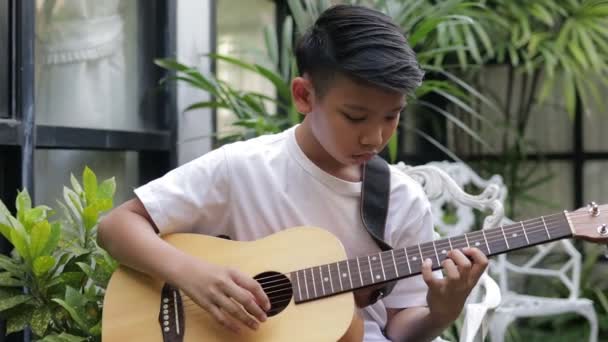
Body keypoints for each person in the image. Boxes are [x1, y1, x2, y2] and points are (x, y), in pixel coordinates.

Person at [98, 4, 488, 341]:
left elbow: (399, 328)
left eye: (392, 116)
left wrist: (441, 313)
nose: (375, 136)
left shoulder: (402, 201)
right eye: (355, 117)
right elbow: (117, 227)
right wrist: (193, 276)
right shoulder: (243, 168)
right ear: (304, 95)